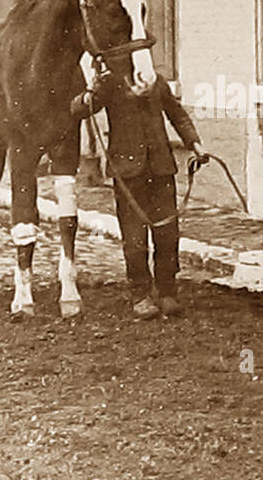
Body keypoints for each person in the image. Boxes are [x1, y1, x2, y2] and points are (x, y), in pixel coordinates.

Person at [70, 64, 205, 318]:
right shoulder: (109, 83)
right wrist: (91, 89)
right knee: (134, 238)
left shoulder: (157, 82)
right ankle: (140, 294)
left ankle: (167, 292)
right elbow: (78, 109)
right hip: (127, 172)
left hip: (161, 167)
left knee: (167, 234)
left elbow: (177, 115)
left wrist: (194, 143)